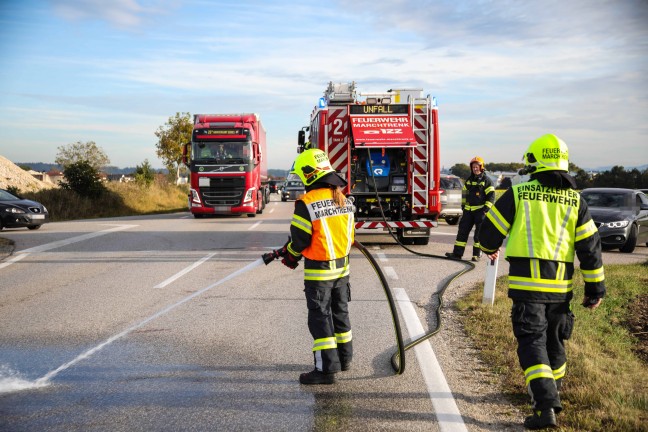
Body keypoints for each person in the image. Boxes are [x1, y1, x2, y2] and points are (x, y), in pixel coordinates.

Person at [478, 134, 606, 430]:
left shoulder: (520, 192)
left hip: (527, 288)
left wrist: (488, 248)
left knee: (532, 343)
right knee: (554, 342)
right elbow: (590, 249)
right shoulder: (576, 200)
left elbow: (489, 232)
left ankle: (545, 404)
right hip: (560, 291)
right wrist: (595, 288)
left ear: (534, 162)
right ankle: (548, 391)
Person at [279, 149, 355, 385]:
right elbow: (349, 236)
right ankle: (344, 359)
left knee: (320, 317)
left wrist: (289, 255)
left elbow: (299, 241)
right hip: (342, 270)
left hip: (319, 272)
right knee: (340, 313)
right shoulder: (343, 198)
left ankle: (325, 370)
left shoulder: (306, 203)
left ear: (308, 173)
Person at [445, 156, 495, 262]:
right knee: (462, 232)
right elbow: (464, 194)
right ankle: (457, 254)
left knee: (478, 235)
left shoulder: (487, 181)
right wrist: (464, 207)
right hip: (468, 211)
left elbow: (491, 196)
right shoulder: (469, 180)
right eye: (473, 167)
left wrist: (486, 209)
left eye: (477, 166)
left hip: (480, 212)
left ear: (481, 167)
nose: (475, 169)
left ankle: (476, 255)